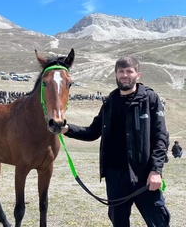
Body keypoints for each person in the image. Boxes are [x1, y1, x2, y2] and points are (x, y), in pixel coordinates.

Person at [61, 56, 170, 227]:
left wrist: (156, 170)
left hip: (144, 175)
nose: (125, 75)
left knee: (158, 221)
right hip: (115, 177)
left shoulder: (150, 99)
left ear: (138, 75)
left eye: (129, 71)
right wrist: (67, 129)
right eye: (121, 71)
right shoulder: (110, 102)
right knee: (118, 222)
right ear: (116, 74)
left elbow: (161, 137)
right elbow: (92, 132)